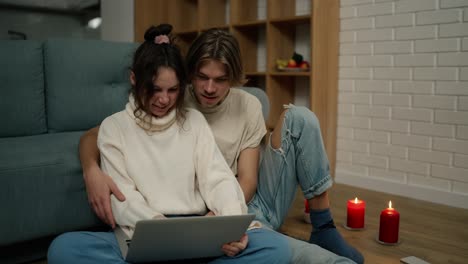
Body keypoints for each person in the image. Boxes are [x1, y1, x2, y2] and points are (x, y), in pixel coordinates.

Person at [79, 28, 363, 264]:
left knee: (300, 118)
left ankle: (324, 227)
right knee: (66, 248)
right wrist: (91, 169)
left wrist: (218, 223)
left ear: (233, 78)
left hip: (239, 205)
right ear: (189, 76)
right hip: (190, 220)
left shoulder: (235, 108)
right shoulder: (171, 104)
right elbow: (99, 134)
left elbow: (244, 179)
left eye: (220, 80)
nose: (210, 88)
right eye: (202, 77)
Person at [47, 24, 291, 264]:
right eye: (155, 89)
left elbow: (218, 179)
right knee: (63, 248)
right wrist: (161, 230)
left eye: (173, 90)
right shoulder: (114, 128)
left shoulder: (194, 121)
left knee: (277, 248)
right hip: (143, 230)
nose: (163, 99)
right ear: (134, 78)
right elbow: (123, 198)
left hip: (198, 229)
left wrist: (229, 225)